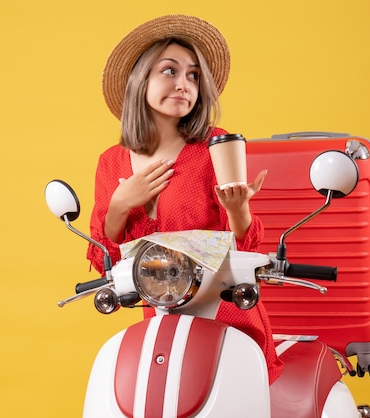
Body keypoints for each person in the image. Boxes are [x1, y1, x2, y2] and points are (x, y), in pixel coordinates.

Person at [86, 14, 283, 384]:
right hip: (161, 321)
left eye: (193, 76)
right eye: (169, 71)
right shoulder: (110, 162)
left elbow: (245, 248)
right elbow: (108, 259)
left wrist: (238, 208)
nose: (184, 85)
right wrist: (120, 203)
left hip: (226, 319)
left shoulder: (216, 146)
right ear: (139, 80)